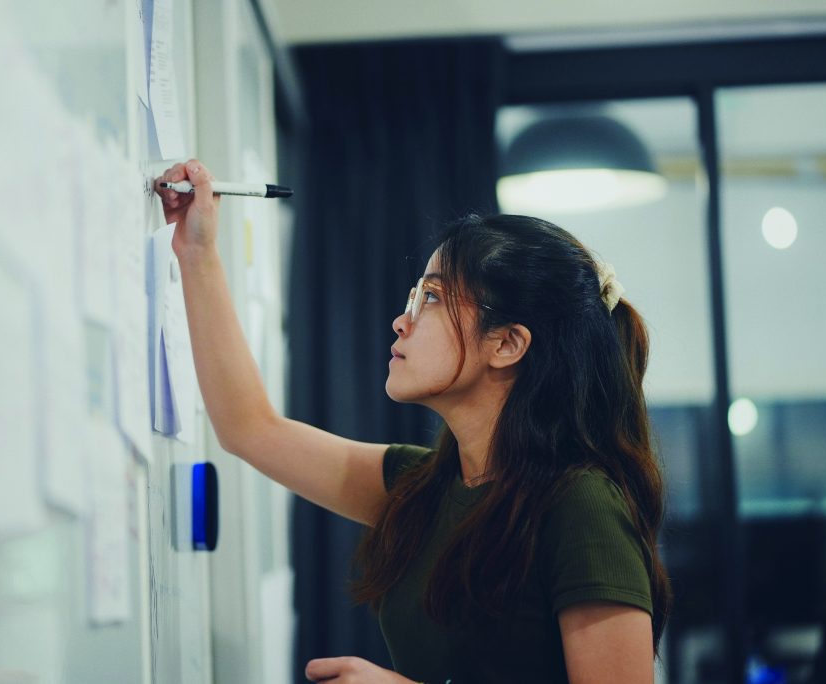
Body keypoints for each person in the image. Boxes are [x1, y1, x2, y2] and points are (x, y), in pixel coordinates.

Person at [155, 160, 671, 684]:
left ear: (507, 343)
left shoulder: (583, 504)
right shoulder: (422, 487)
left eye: (432, 298)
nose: (402, 320)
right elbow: (249, 428)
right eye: (413, 296)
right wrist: (196, 253)